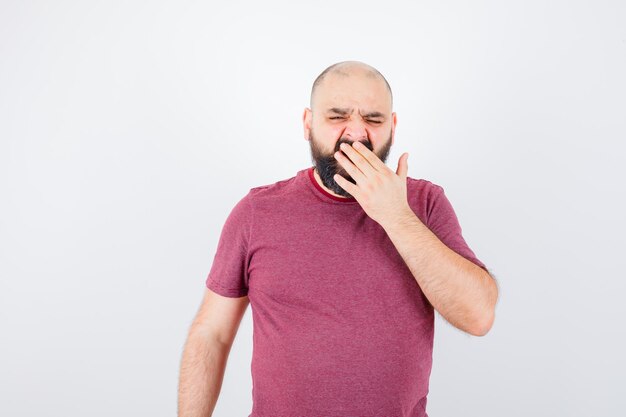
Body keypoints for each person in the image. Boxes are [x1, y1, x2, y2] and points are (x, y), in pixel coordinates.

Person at [178, 61, 499, 417]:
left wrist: (396, 216)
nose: (356, 133)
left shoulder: (425, 203)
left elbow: (478, 316)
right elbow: (212, 334)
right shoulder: (256, 212)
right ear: (307, 123)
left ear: (392, 127)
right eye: (337, 116)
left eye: (373, 120)